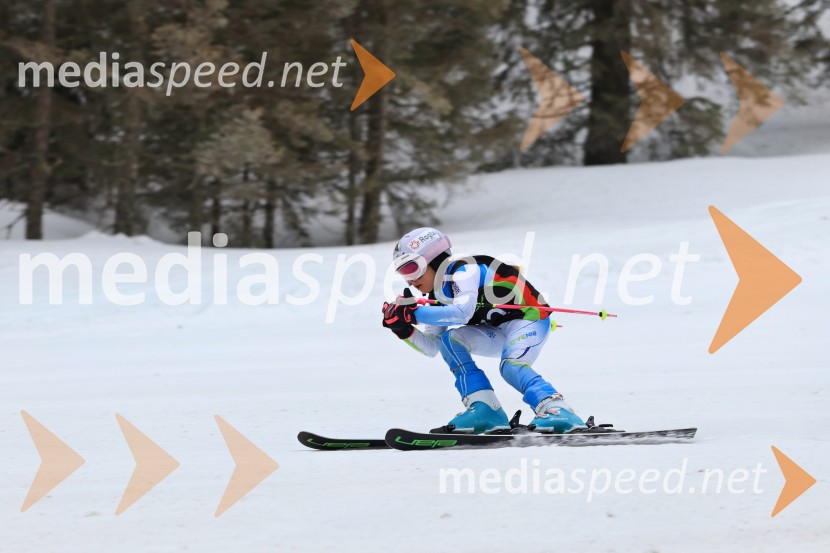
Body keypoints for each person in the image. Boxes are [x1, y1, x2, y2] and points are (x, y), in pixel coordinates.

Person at [382, 227, 587, 434]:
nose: (410, 280)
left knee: (511, 366)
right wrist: (402, 328)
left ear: (433, 260)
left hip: (529, 320)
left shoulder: (464, 271)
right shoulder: (437, 295)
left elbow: (462, 312)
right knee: (449, 341)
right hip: (498, 329)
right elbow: (432, 347)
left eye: (411, 269)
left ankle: (557, 409)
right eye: (402, 273)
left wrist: (413, 314)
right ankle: (485, 409)